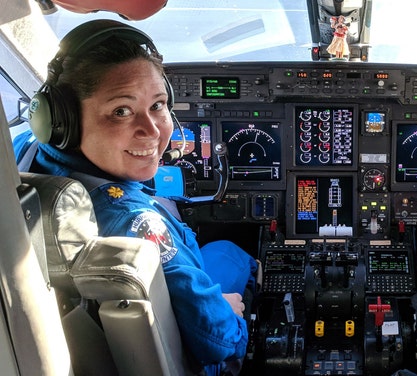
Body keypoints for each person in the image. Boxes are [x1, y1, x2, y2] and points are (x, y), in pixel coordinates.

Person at [13, 19, 257, 376]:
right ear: (64, 121)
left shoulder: (24, 153)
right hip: (184, 359)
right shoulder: (133, 221)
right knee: (234, 255)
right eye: (121, 111)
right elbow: (215, 340)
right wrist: (233, 319)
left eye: (158, 105)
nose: (153, 130)